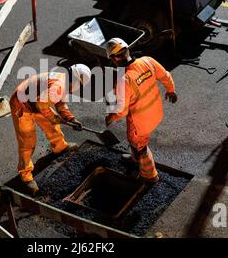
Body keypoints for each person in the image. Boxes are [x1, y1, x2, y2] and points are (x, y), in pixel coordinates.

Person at [10, 64, 91, 195]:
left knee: (53, 128)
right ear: (76, 81)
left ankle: (60, 147)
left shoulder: (63, 80)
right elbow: (41, 105)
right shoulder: (58, 85)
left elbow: (59, 102)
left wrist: (70, 118)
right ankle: (25, 176)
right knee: (27, 143)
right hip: (22, 104)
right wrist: (54, 118)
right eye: (80, 86)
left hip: (36, 101)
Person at [105, 38, 177, 183]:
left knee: (139, 146)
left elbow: (122, 111)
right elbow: (165, 76)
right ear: (127, 50)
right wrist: (171, 91)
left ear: (113, 58)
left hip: (140, 122)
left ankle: (149, 176)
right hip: (156, 112)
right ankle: (135, 159)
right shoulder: (147, 61)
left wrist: (111, 117)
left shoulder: (123, 81)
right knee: (136, 142)